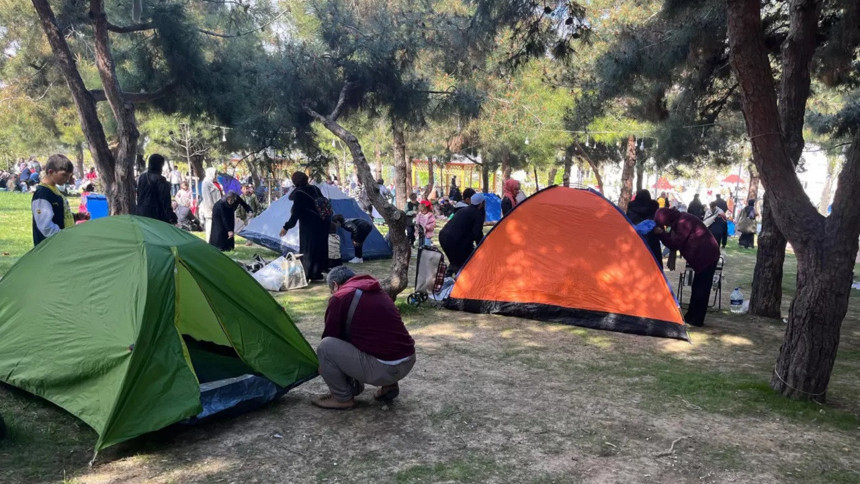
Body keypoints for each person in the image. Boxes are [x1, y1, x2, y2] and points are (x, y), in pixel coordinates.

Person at [312, 266, 416, 410]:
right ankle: (389, 386)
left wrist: (324, 367)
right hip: (408, 360)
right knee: (372, 336)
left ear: (335, 285)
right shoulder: (376, 290)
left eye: (331, 290)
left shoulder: (340, 297)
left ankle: (342, 398)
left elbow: (332, 337)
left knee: (325, 347)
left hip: (385, 368)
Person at [654, 208, 720, 326]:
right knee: (697, 286)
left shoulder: (682, 223)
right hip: (703, 255)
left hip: (707, 255)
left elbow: (674, 244)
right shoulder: (678, 219)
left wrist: (661, 234)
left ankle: (697, 319)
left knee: (702, 288)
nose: (664, 226)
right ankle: (691, 316)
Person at [280, 171, 330, 282]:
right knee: (319, 247)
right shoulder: (315, 189)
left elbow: (296, 213)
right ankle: (316, 273)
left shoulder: (299, 193)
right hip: (323, 222)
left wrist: (286, 227)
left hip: (309, 224)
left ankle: (306, 274)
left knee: (307, 249)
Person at [31, 154, 89, 246]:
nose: (67, 179)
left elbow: (58, 216)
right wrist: (64, 236)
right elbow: (45, 226)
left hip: (62, 244)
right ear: (51, 172)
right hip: (51, 247)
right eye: (64, 175)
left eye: (69, 176)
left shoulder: (55, 191)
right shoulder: (43, 194)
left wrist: (76, 217)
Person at [439, 192, 486, 274]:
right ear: (482, 203)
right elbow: (477, 233)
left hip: (443, 237)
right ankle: (458, 281)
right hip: (456, 241)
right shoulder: (477, 214)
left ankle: (449, 275)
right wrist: (482, 247)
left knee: (455, 262)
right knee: (465, 263)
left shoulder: (464, 210)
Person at [626, 189, 663, 269]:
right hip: (652, 245)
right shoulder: (655, 210)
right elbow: (660, 227)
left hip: (636, 246)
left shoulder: (630, 210)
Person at [135, 154, 177, 224]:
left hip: (141, 213)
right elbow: (165, 200)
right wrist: (171, 215)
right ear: (159, 165)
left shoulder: (141, 177)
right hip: (156, 215)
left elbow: (138, 195)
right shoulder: (160, 180)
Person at [200, 167, 222, 241]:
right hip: (211, 208)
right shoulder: (206, 183)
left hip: (219, 207)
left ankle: (217, 241)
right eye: (215, 173)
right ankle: (209, 241)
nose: (216, 175)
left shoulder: (216, 182)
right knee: (210, 224)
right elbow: (207, 198)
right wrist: (212, 208)